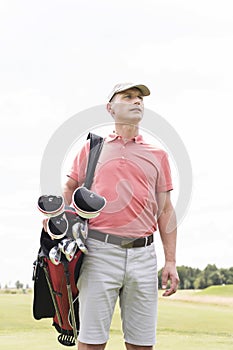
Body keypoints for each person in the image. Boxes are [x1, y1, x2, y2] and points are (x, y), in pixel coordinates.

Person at [63, 83, 180, 350]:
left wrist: (170, 261)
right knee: (92, 342)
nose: (136, 101)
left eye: (140, 99)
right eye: (127, 97)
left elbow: (165, 209)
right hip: (99, 252)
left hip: (144, 256)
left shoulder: (158, 155)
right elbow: (70, 188)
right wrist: (62, 220)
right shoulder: (92, 149)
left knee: (142, 344)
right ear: (110, 108)